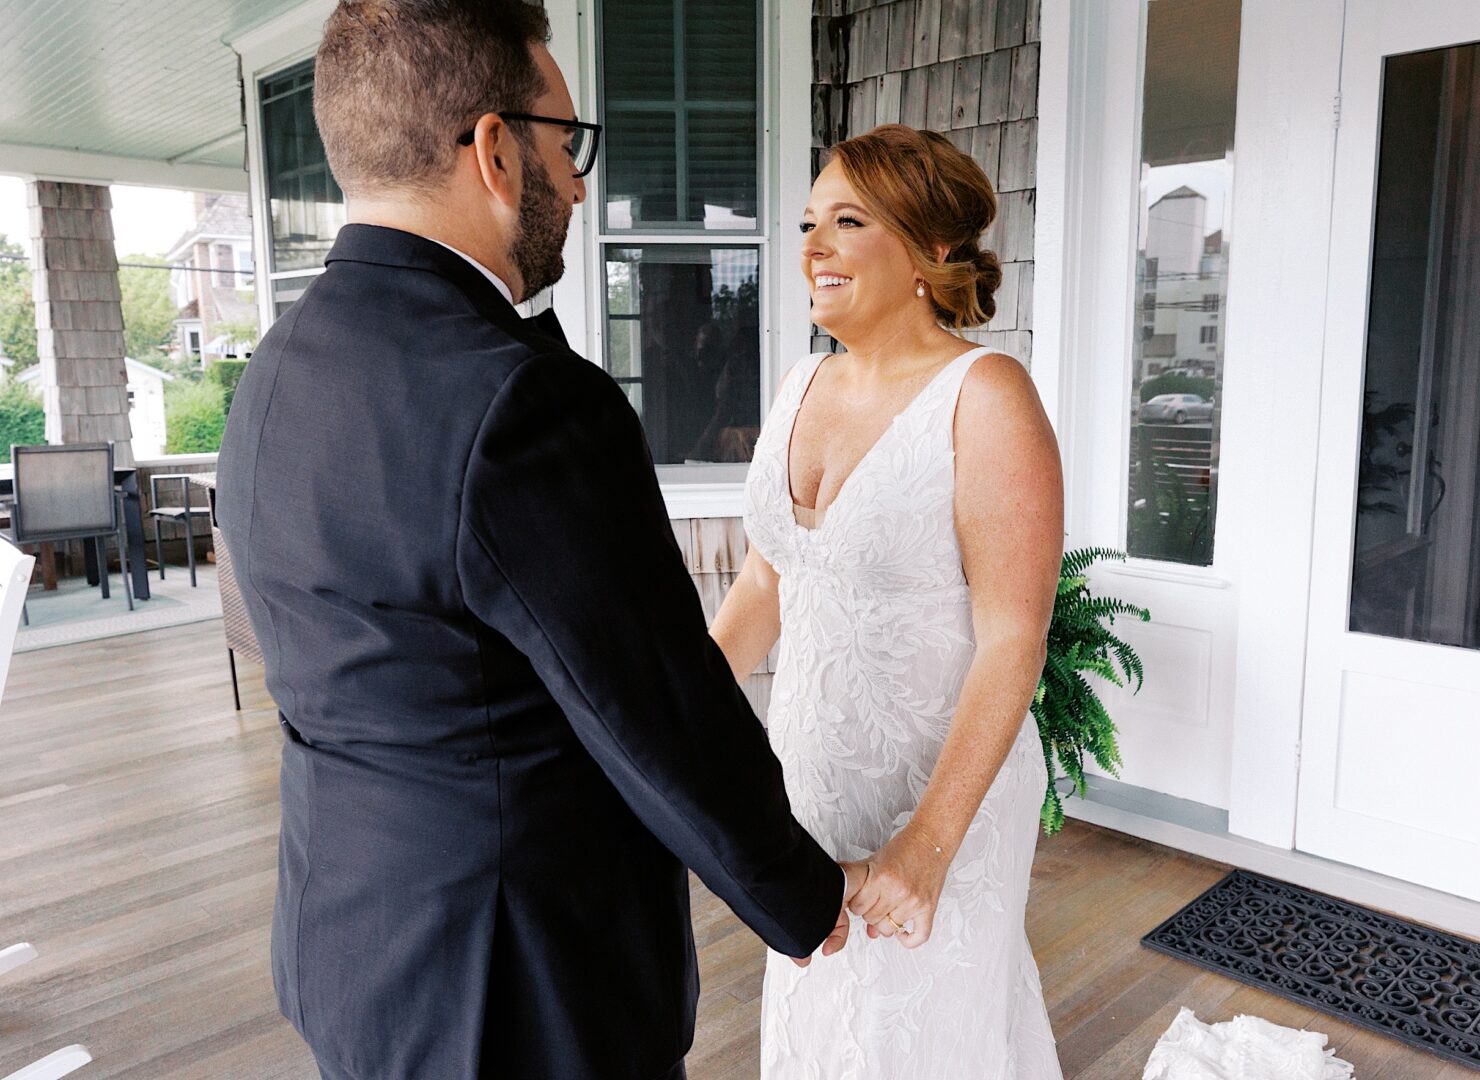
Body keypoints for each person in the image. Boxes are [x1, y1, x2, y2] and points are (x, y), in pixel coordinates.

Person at [215, 3, 858, 1077]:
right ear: (496, 150)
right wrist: (806, 896)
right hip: (516, 987)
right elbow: (653, 709)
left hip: (347, 940)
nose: (581, 182)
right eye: (570, 145)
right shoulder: (522, 402)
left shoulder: (275, 368)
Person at [709, 124, 1067, 1078]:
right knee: (822, 1019)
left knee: (923, 1034)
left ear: (932, 251)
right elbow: (767, 578)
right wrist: (675, 717)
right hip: (813, 787)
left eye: (848, 221)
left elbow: (1012, 638)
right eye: (807, 223)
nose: (811, 247)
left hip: (941, 795)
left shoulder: (985, 397)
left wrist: (928, 843)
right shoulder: (801, 384)